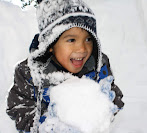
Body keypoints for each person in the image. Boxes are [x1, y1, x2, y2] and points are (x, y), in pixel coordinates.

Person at [6, 0, 124, 132]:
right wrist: (45, 124)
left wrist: (106, 106)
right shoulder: (29, 74)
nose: (82, 48)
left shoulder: (98, 65)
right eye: (71, 40)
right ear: (50, 44)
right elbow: (18, 109)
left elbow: (116, 96)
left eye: (88, 39)